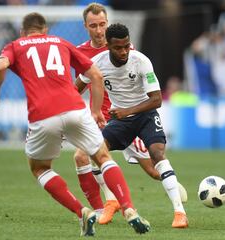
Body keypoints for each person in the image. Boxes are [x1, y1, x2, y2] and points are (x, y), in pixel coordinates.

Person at [0, 12, 150, 237]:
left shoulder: (17, 45)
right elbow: (96, 75)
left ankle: (83, 211)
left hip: (43, 115)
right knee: (102, 157)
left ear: (23, 33)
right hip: (75, 109)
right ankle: (129, 208)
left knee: (40, 168)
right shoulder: (60, 42)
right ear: (45, 31)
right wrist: (95, 111)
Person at [73, 3, 188, 227]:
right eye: (93, 25)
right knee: (91, 151)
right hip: (114, 120)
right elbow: (75, 88)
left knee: (155, 164)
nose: (124, 51)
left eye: (126, 46)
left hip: (142, 115)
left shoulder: (140, 60)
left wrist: (125, 111)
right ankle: (111, 202)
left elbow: (156, 99)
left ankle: (179, 209)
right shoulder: (94, 63)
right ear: (108, 46)